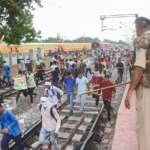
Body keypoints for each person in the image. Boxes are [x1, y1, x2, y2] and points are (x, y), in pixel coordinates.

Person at [125, 17, 150, 150]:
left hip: (147, 88)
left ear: (138, 28)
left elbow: (139, 68)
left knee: (145, 127)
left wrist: (129, 91)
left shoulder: (142, 40)